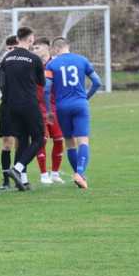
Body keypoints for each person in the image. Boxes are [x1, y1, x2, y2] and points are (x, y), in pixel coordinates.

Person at [44, 37, 102, 189]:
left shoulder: (51, 64)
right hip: (80, 105)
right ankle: (80, 173)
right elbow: (97, 82)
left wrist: (49, 110)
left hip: (62, 107)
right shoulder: (82, 60)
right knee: (83, 142)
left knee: (69, 143)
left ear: (55, 49)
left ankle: (79, 176)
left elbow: (46, 88)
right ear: (68, 46)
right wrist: (85, 97)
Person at [0, 27, 46, 192]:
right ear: (31, 39)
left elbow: (2, 84)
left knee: (23, 140)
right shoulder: (34, 59)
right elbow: (42, 82)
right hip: (29, 104)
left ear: (17, 40)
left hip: (11, 105)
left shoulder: (6, 58)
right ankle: (17, 169)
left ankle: (23, 181)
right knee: (39, 138)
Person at [31, 36, 66, 185]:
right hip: (38, 110)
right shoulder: (32, 65)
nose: (34, 51)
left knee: (59, 140)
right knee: (41, 141)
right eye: (33, 48)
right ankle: (43, 174)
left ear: (46, 48)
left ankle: (55, 173)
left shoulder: (56, 64)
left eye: (37, 48)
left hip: (55, 109)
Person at [0, 35, 19, 190]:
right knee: (7, 143)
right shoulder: (2, 66)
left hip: (22, 107)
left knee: (20, 142)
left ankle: (20, 175)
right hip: (7, 106)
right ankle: (6, 180)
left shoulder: (26, 64)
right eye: (10, 49)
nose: (12, 51)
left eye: (15, 48)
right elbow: (3, 86)